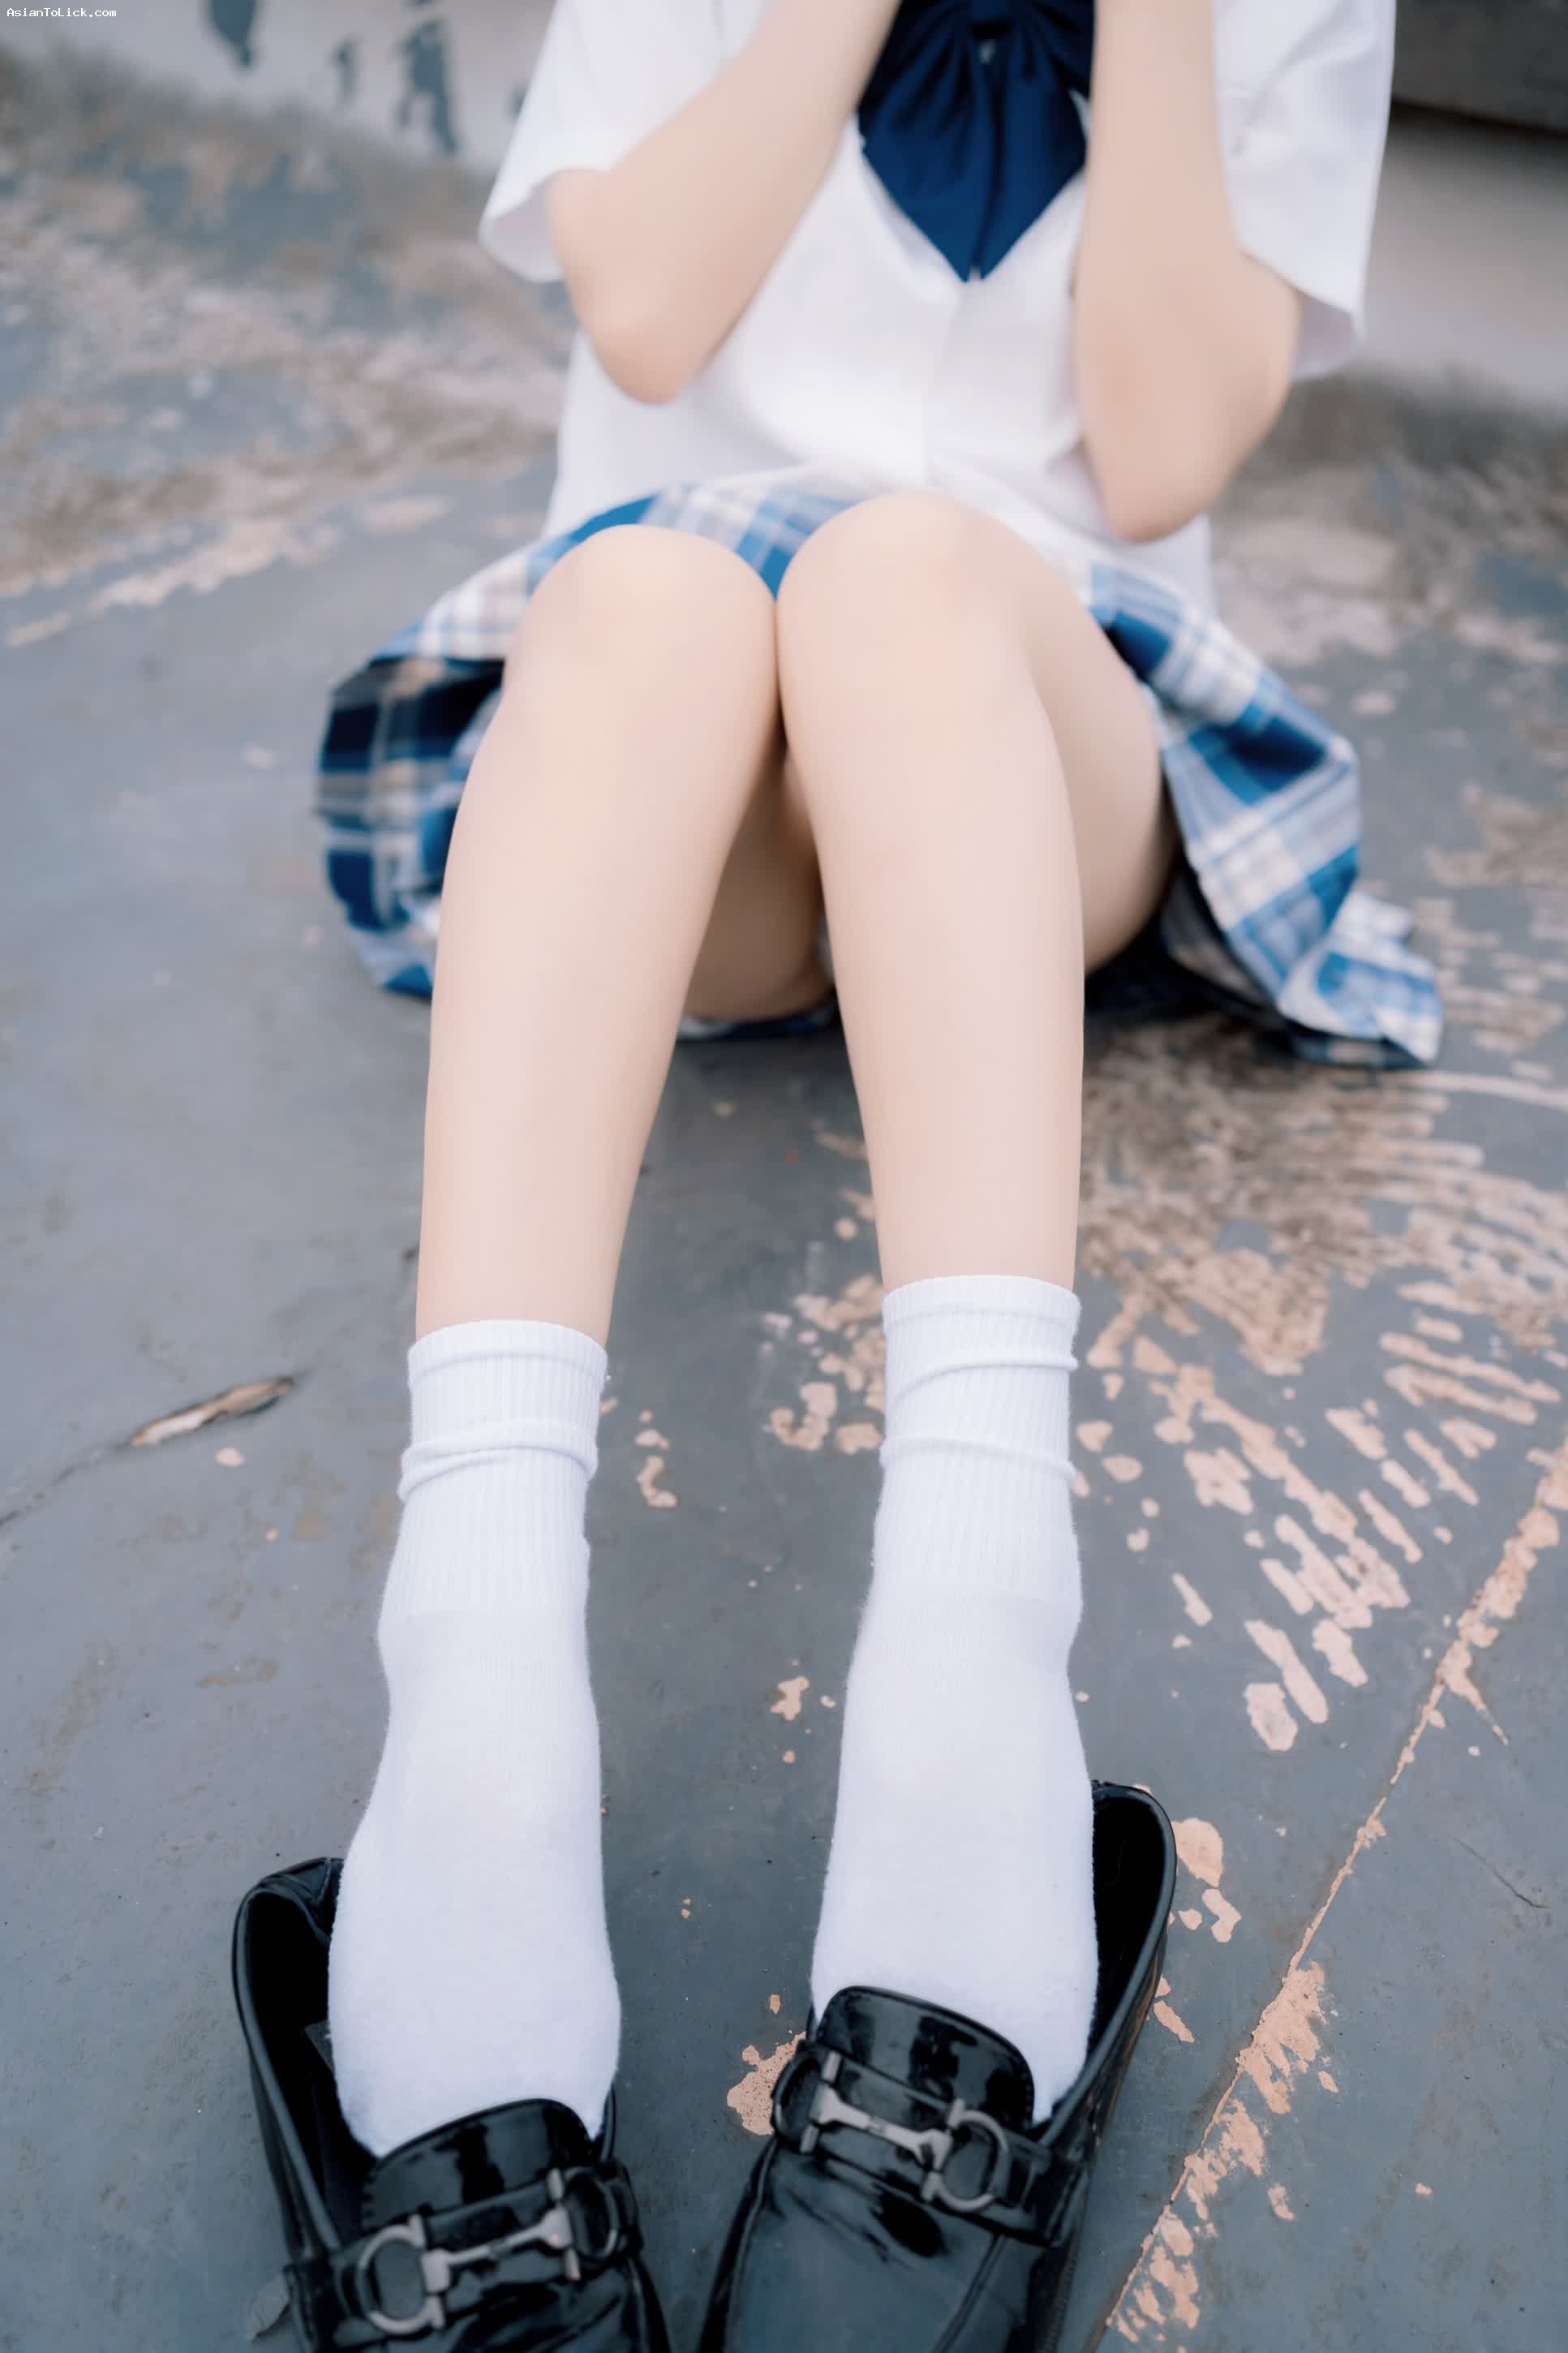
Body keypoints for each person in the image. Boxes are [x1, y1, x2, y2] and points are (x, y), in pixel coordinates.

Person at [231, 5, 1442, 2348]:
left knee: (902, 577)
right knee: (647, 598)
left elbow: (1166, 439)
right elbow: (646, 309)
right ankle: (472, 1700)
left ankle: (976, 1678)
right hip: (675, 748)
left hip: (1023, 710)